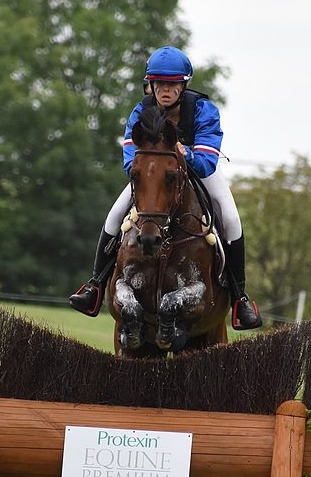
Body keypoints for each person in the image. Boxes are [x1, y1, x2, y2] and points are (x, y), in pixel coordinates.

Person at [69, 46, 262, 330]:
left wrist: (187, 157)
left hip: (198, 170)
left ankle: (239, 298)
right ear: (151, 84)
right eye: (160, 84)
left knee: (231, 218)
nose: (165, 90)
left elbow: (207, 161)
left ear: (183, 86)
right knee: (114, 216)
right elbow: (129, 161)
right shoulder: (141, 111)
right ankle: (95, 286)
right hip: (154, 177)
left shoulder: (203, 110)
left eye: (172, 84)